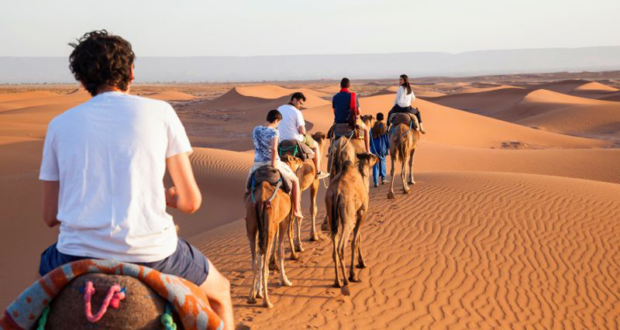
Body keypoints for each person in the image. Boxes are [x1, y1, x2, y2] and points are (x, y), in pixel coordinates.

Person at [37, 30, 234, 330]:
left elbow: (50, 216)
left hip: (72, 253)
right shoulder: (161, 112)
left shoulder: (59, 125)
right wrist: (166, 197)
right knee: (220, 293)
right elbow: (191, 202)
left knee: (36, 307)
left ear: (81, 80)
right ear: (130, 72)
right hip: (153, 253)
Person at [248, 109, 303, 218]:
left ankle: (248, 213)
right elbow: (274, 149)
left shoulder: (256, 129)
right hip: (273, 162)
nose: (278, 125)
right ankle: (296, 210)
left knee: (246, 188)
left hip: (257, 164)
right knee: (295, 181)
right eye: (278, 122)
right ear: (276, 120)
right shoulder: (274, 132)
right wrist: (273, 164)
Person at [277, 92, 329, 180]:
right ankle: (318, 172)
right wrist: (303, 133)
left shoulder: (279, 109)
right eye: (300, 102)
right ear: (294, 100)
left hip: (281, 141)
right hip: (296, 140)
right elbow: (302, 131)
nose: (300, 105)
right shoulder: (297, 112)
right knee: (316, 145)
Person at [332, 78, 371, 152]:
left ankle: (331, 150)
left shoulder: (335, 97)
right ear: (349, 85)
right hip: (351, 122)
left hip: (339, 123)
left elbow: (334, 111)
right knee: (366, 129)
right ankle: (368, 150)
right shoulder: (353, 96)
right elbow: (359, 112)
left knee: (331, 133)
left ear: (341, 86)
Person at [370, 112, 390, 187]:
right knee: (383, 162)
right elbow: (387, 138)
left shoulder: (372, 127)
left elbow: (369, 138)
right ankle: (383, 179)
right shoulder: (384, 126)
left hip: (374, 148)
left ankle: (375, 182)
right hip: (382, 147)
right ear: (383, 118)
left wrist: (370, 146)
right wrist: (388, 147)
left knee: (375, 163)